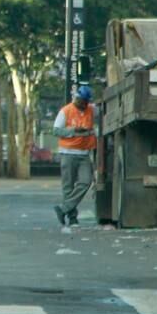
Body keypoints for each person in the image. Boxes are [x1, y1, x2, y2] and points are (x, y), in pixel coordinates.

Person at [53, 84, 96, 227]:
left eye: (86, 102)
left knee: (86, 181)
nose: (84, 104)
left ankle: (63, 209)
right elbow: (56, 131)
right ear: (77, 98)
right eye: (82, 101)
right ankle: (72, 218)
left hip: (84, 154)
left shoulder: (91, 110)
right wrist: (73, 130)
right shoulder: (66, 111)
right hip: (68, 153)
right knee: (68, 187)